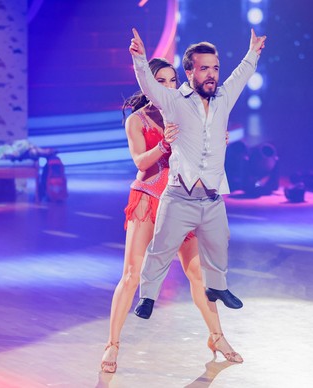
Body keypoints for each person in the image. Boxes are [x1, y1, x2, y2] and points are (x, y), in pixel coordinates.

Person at [100, 58, 243, 374]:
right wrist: (165, 143)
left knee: (198, 275)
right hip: (149, 198)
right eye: (160, 81)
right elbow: (140, 162)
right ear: (147, 84)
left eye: (171, 81)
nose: (167, 87)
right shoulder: (137, 121)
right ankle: (112, 343)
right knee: (132, 274)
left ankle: (217, 337)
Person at [129, 28, 267, 319]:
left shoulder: (223, 99)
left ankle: (217, 287)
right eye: (205, 69)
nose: (212, 75)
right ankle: (148, 296)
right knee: (161, 250)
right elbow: (150, 87)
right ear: (190, 71)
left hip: (213, 197)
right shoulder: (173, 102)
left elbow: (241, 75)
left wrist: (253, 52)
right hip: (180, 196)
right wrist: (140, 61)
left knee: (220, 244)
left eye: (215, 68)